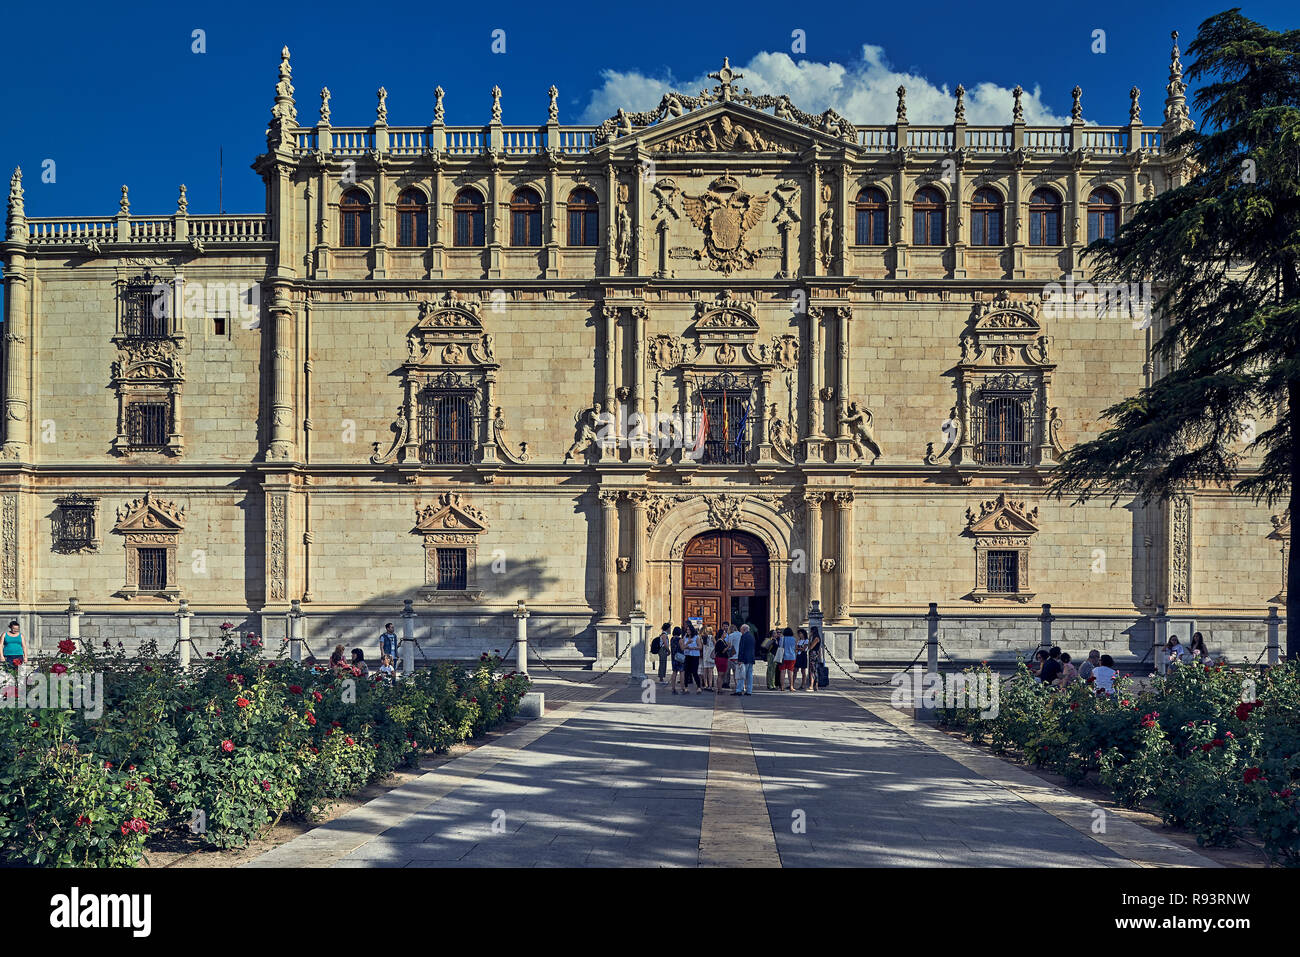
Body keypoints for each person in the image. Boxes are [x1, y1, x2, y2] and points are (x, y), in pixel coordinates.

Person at [734, 626, 756, 696]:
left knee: (741, 675)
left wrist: (740, 659)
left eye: (741, 630)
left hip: (744, 659)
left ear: (744, 630)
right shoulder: (752, 637)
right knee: (749, 675)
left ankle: (739, 690)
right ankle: (749, 690)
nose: (741, 631)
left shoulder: (743, 637)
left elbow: (741, 648)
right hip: (751, 658)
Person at [682, 626, 703, 694]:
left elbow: (700, 647)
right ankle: (686, 687)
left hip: (694, 656)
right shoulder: (685, 637)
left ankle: (699, 687)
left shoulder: (696, 637)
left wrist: (693, 648)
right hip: (687, 655)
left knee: (694, 672)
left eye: (689, 629)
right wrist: (687, 643)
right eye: (687, 629)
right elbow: (682, 647)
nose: (687, 631)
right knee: (686, 672)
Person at [806, 627, 823, 693]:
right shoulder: (816, 638)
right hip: (814, 654)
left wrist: (809, 638)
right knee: (813, 670)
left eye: (811, 631)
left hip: (813, 655)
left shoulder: (816, 638)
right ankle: (815, 685)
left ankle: (812, 685)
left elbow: (810, 647)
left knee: (812, 670)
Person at [669, 627, 685, 694]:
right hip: (680, 657)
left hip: (673, 657)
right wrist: (687, 644)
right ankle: (682, 688)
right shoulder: (680, 639)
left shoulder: (672, 639)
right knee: (682, 672)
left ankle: (673, 688)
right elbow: (682, 648)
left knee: (674, 672)